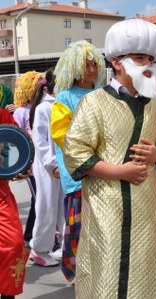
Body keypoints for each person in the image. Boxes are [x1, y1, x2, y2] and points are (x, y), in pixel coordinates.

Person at [62, 18, 156, 298]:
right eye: (139, 58)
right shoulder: (94, 103)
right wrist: (119, 172)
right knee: (108, 272)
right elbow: (74, 152)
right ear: (116, 62)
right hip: (107, 208)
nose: (147, 64)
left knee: (148, 272)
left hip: (149, 209)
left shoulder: (155, 106)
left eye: (150, 58)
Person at [50, 40, 105, 281]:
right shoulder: (64, 97)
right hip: (79, 174)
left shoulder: (103, 94)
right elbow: (61, 135)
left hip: (105, 171)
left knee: (104, 227)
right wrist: (88, 152)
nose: (91, 69)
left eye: (94, 63)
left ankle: (102, 271)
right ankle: (79, 274)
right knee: (78, 229)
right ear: (73, 67)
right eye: (85, 64)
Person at [28, 69, 65, 266]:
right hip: (47, 167)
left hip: (62, 166)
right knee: (47, 207)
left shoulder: (62, 105)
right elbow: (40, 142)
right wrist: (52, 164)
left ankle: (69, 248)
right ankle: (39, 249)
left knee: (64, 207)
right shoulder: (44, 108)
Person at [0, 108, 29, 299]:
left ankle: (7, 295)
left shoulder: (1, 115)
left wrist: (21, 166)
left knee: (14, 244)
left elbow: (21, 142)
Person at [13, 71, 44, 248]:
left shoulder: (40, 108)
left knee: (41, 198)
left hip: (42, 161)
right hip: (31, 163)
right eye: (39, 88)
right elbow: (17, 140)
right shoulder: (21, 112)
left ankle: (34, 233)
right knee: (38, 198)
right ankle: (31, 235)